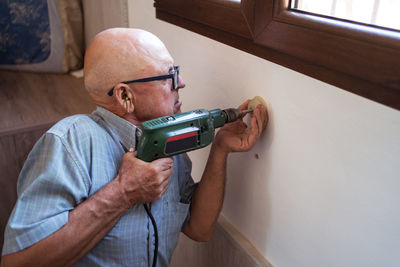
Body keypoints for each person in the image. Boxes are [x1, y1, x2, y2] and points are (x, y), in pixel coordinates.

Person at [1, 28, 268, 266]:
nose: (182, 83)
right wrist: (123, 192)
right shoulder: (70, 143)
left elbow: (199, 229)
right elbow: (17, 262)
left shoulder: (165, 142)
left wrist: (220, 149)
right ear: (125, 96)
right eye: (169, 76)